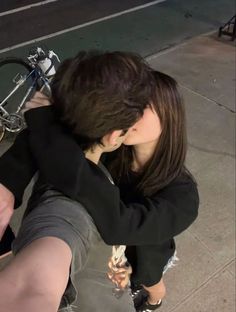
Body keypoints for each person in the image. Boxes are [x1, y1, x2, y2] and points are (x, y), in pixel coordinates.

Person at [0, 60, 199, 311]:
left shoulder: (183, 196)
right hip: (110, 255)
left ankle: (153, 301)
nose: (128, 112)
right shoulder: (111, 148)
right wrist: (7, 181)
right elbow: (52, 145)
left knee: (152, 284)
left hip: (144, 252)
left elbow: (121, 225)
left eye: (142, 105)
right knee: (115, 287)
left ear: (169, 116)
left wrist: (45, 122)